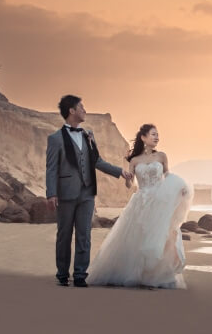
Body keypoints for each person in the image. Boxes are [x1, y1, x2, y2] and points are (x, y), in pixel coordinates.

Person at [86, 123, 193, 288]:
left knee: (158, 237)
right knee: (137, 237)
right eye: (153, 134)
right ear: (143, 137)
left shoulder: (162, 156)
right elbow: (129, 185)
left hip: (158, 201)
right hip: (141, 201)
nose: (157, 137)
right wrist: (128, 178)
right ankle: (136, 274)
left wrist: (181, 189)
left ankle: (154, 275)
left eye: (158, 135)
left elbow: (168, 176)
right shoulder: (134, 160)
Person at [45, 94, 130, 287]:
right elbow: (51, 168)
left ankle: (81, 274)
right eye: (81, 107)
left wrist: (120, 172)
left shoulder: (88, 135)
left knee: (84, 234)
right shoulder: (55, 139)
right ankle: (62, 274)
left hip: (87, 193)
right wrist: (51, 193)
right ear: (72, 111)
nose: (85, 110)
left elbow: (97, 161)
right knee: (64, 235)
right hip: (65, 192)